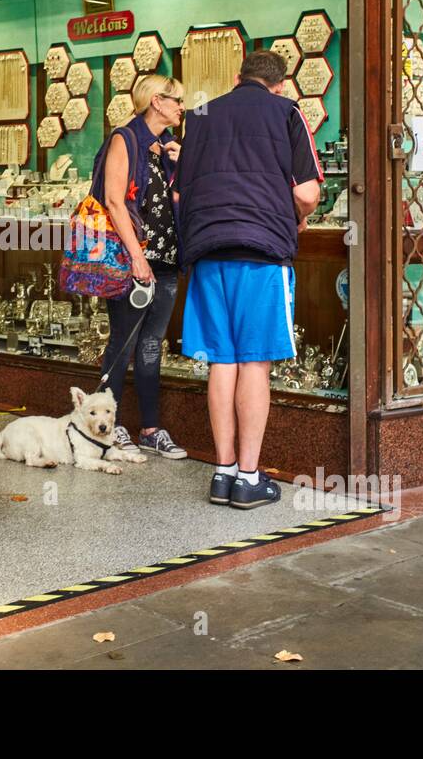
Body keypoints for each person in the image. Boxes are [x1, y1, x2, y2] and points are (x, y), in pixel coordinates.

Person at [173, 50, 324, 508]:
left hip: (207, 250)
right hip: (261, 253)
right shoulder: (288, 112)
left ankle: (221, 474)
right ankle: (249, 477)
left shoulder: (199, 115)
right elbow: (307, 191)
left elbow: (180, 188)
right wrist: (296, 217)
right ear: (279, 85)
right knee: (255, 361)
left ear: (238, 78)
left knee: (222, 360)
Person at [97, 74, 187, 459]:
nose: (182, 107)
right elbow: (114, 201)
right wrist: (136, 257)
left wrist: (183, 167)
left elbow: (173, 202)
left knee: (153, 344)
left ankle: (150, 428)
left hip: (165, 261)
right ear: (156, 101)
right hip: (132, 260)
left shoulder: (164, 148)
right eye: (177, 99)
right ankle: (108, 427)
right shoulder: (126, 139)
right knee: (124, 342)